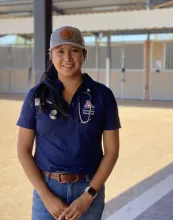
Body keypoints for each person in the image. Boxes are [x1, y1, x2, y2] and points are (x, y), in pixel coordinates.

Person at [16, 26, 121, 220]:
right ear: (51, 56)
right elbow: (23, 150)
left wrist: (88, 196)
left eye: (74, 50)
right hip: (47, 189)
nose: (67, 58)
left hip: (89, 190)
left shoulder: (102, 95)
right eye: (60, 51)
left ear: (84, 54)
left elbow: (112, 151)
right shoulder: (36, 96)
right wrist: (46, 197)